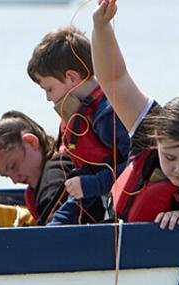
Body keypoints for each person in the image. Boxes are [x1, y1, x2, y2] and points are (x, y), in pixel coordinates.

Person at [92, 0, 179, 231]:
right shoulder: (147, 132)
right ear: (157, 140)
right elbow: (113, 79)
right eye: (169, 157)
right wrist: (101, 27)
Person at [27, 26, 130, 225]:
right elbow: (85, 179)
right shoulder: (76, 120)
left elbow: (137, 166)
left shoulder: (109, 115)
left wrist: (94, 184)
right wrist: (57, 223)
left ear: (72, 78)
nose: (48, 98)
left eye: (49, 88)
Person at [0, 111, 105, 225]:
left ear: (31, 142)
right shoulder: (58, 168)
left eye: (14, 166)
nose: (15, 179)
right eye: (7, 176)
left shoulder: (51, 179)